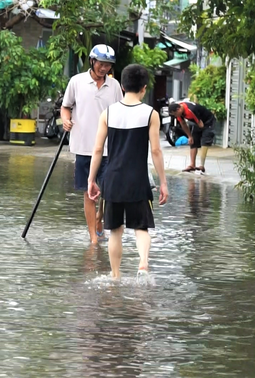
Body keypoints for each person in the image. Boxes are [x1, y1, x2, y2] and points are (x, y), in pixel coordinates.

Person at [87, 64, 169, 281]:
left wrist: (91, 179)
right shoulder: (150, 114)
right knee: (141, 227)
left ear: (122, 86)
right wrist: (163, 183)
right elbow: (156, 151)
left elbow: (97, 150)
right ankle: (143, 264)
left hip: (112, 180)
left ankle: (115, 277)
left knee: (115, 230)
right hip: (138, 180)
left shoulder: (108, 113)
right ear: (144, 88)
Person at [61, 44, 124, 244]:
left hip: (108, 148)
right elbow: (65, 107)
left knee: (107, 192)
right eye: (101, 64)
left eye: (108, 65)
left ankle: (99, 220)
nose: (104, 68)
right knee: (89, 193)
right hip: (83, 147)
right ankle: (93, 238)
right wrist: (66, 120)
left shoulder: (114, 86)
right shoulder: (77, 82)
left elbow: (120, 113)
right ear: (92, 61)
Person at [168, 101, 216, 173]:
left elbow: (201, 125)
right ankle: (192, 165)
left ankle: (201, 166)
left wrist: (202, 132)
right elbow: (183, 124)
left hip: (208, 121)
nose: (175, 116)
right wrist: (190, 136)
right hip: (197, 122)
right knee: (193, 141)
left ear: (178, 109)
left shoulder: (190, 110)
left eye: (175, 114)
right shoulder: (179, 112)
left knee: (205, 140)